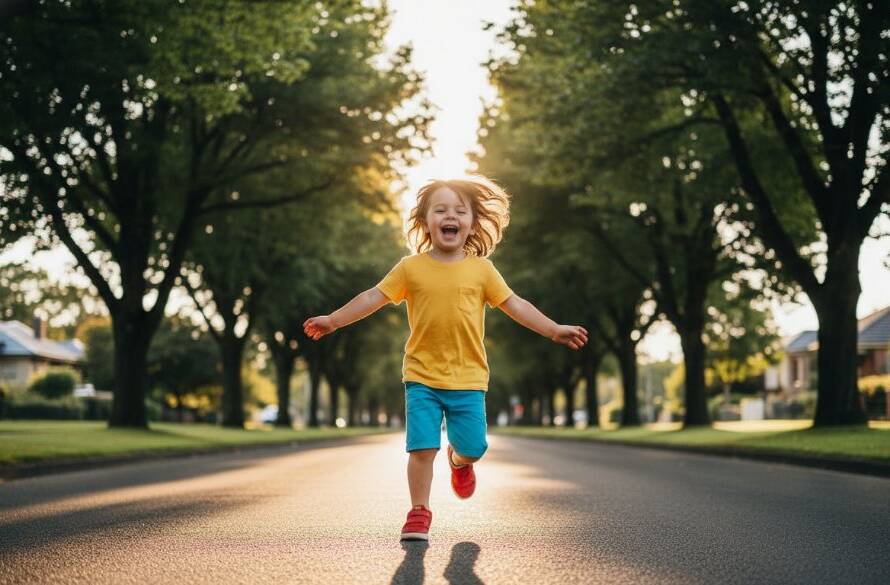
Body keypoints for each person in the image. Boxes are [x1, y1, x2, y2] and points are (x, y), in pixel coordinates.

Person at [302, 175, 588, 542]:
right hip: (421, 376)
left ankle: (459, 461)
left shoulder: (482, 269)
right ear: (425, 221)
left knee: (474, 448)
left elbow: (514, 304)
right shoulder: (410, 268)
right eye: (440, 210)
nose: (449, 216)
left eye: (459, 211)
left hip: (468, 378)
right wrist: (334, 320)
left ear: (471, 223)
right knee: (421, 447)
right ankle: (418, 512)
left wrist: (553, 329)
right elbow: (373, 296)